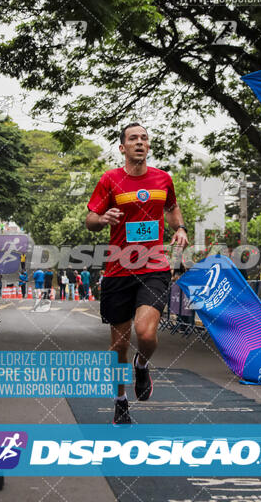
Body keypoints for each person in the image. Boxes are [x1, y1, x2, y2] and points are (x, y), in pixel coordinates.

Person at [86, 122, 188, 424]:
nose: (140, 142)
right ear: (123, 148)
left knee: (145, 332)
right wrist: (103, 218)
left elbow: (172, 209)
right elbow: (90, 219)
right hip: (119, 268)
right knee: (118, 343)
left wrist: (179, 228)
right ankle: (120, 400)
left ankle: (142, 364)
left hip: (154, 266)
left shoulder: (162, 179)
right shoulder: (110, 180)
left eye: (144, 137)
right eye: (133, 139)